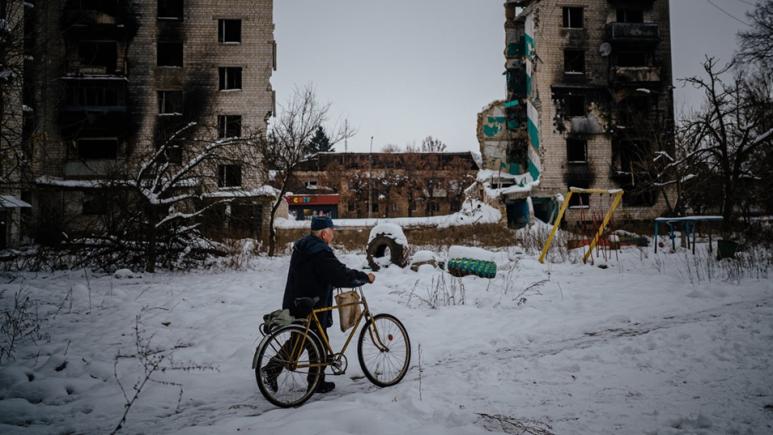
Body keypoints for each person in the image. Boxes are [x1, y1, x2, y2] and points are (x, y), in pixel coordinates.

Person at [266, 216, 375, 394]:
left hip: (299, 299)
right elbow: (338, 273)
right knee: (305, 341)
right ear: (324, 233)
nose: (333, 235)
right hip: (310, 303)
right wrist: (364, 277)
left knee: (311, 341)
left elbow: (322, 272)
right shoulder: (320, 251)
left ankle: (316, 381)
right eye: (332, 232)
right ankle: (275, 370)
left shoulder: (306, 245)